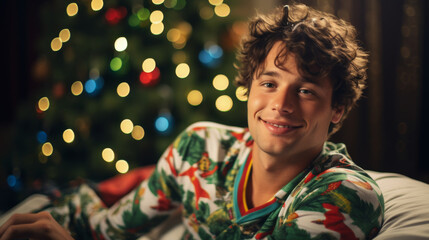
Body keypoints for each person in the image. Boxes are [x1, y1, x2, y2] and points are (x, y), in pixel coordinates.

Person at [0, 3, 384, 239]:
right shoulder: (200, 147)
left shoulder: (343, 195)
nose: (281, 104)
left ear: (337, 110)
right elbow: (109, 228)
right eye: (269, 82)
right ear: (249, 87)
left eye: (306, 91)